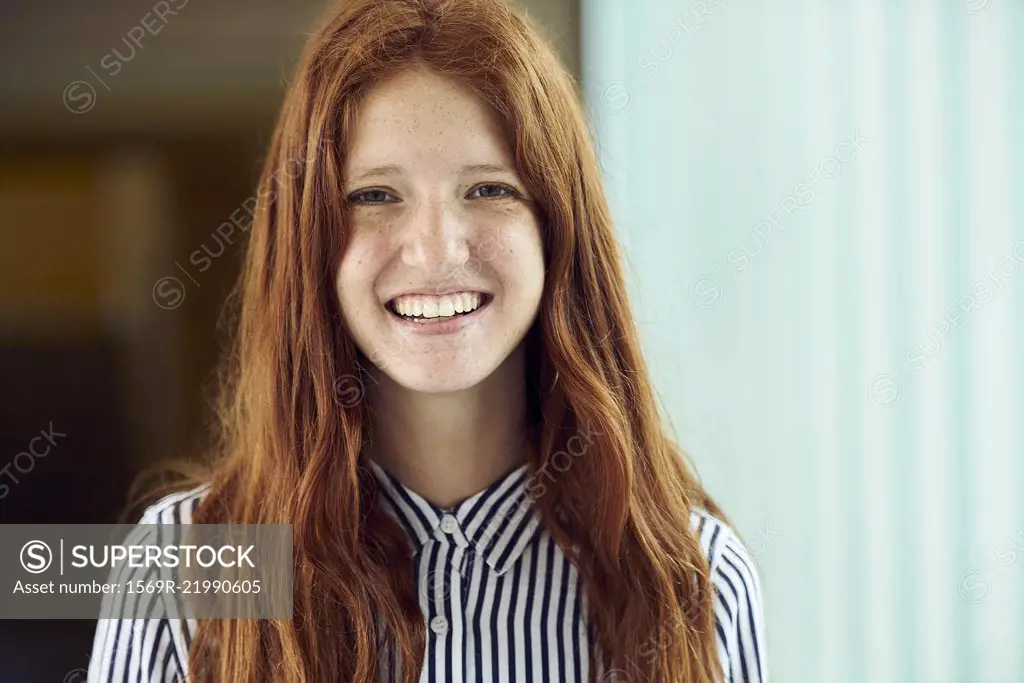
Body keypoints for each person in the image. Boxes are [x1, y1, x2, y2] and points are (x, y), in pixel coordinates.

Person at [88, 0, 767, 680]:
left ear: (558, 232)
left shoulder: (696, 580)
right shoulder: (177, 574)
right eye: (375, 196)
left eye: (489, 188)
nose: (437, 248)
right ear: (308, 240)